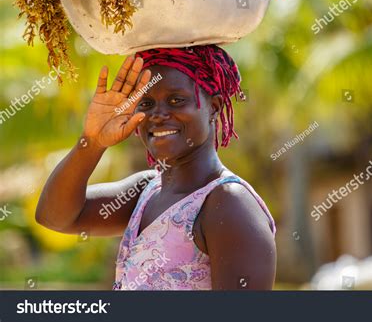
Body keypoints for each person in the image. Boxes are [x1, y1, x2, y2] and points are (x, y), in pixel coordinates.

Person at [35, 45, 276, 290]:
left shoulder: (229, 204)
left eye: (176, 100)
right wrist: (93, 141)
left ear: (213, 107)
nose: (158, 114)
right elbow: (55, 218)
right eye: (146, 103)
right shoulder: (145, 191)